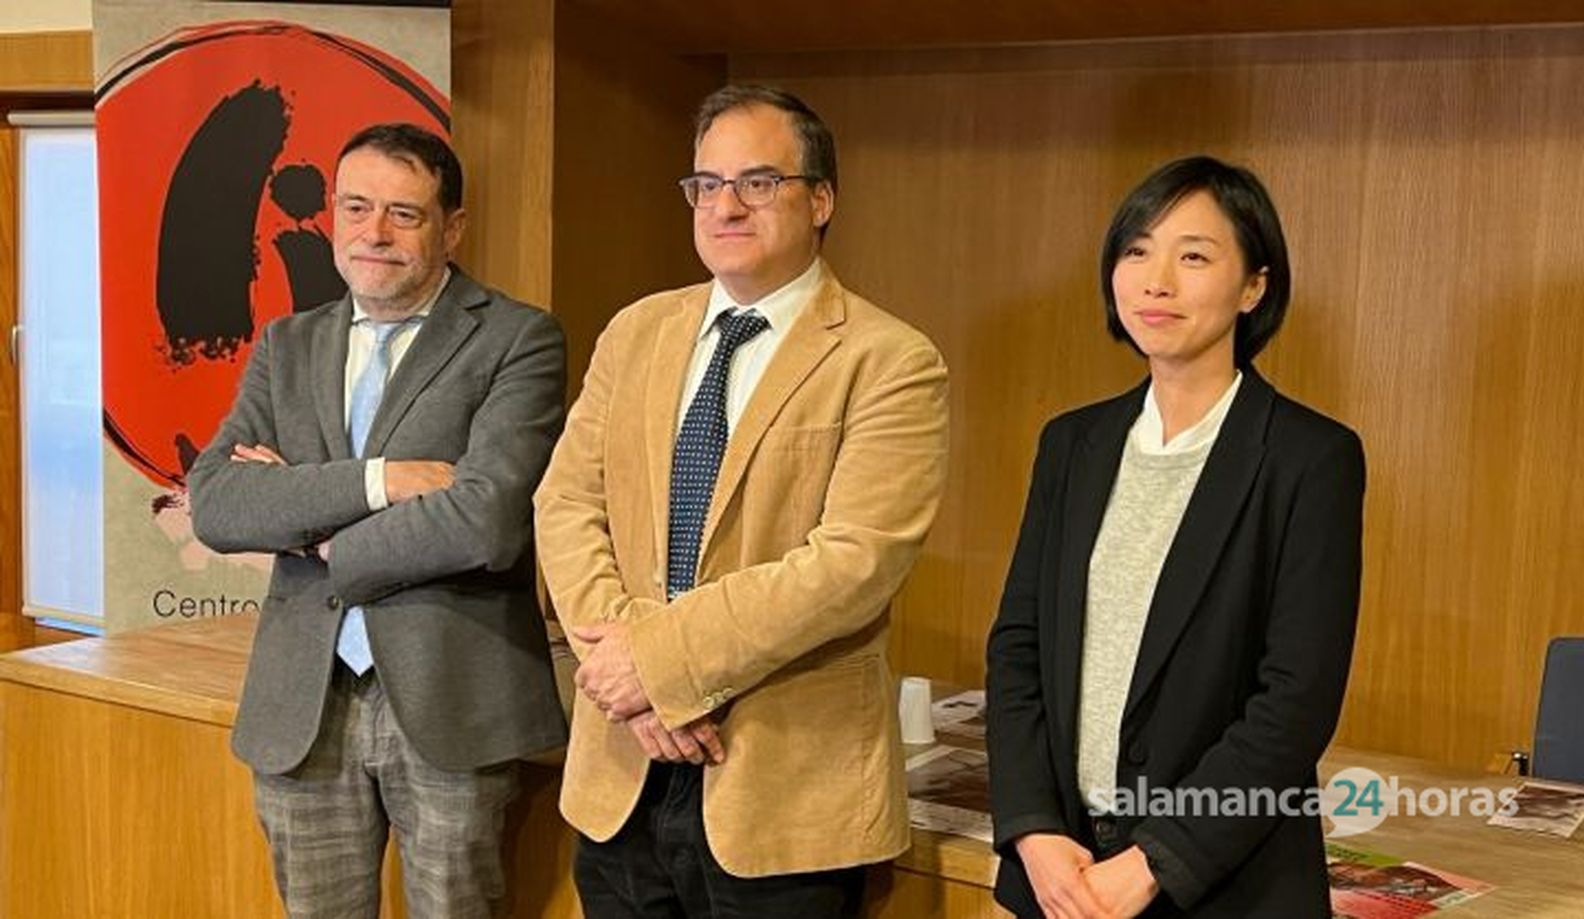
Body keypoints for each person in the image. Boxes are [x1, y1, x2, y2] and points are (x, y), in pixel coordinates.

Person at [533, 84, 949, 918]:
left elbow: (852, 565)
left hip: (784, 793)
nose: (725, 205)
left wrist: (656, 664)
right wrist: (633, 681)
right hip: (622, 772)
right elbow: (566, 500)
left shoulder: (891, 359)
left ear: (821, 198)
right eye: (705, 184)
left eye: (759, 182)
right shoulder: (636, 330)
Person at [189, 122, 568, 918]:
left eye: (405, 213)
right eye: (356, 207)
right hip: (304, 697)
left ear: (452, 227)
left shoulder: (516, 338)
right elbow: (219, 503)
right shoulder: (286, 344)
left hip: (451, 698)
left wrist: (310, 527)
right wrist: (381, 481)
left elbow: (485, 521)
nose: (375, 233)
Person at [985, 155, 1365, 918]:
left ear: (1254, 285)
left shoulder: (1308, 457)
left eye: (1193, 255)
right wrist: (1031, 827)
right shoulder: (1073, 443)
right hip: (1063, 875)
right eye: (1136, 249)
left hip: (1222, 885)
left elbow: (1294, 701)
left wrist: (1158, 860)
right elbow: (1018, 646)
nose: (1156, 280)